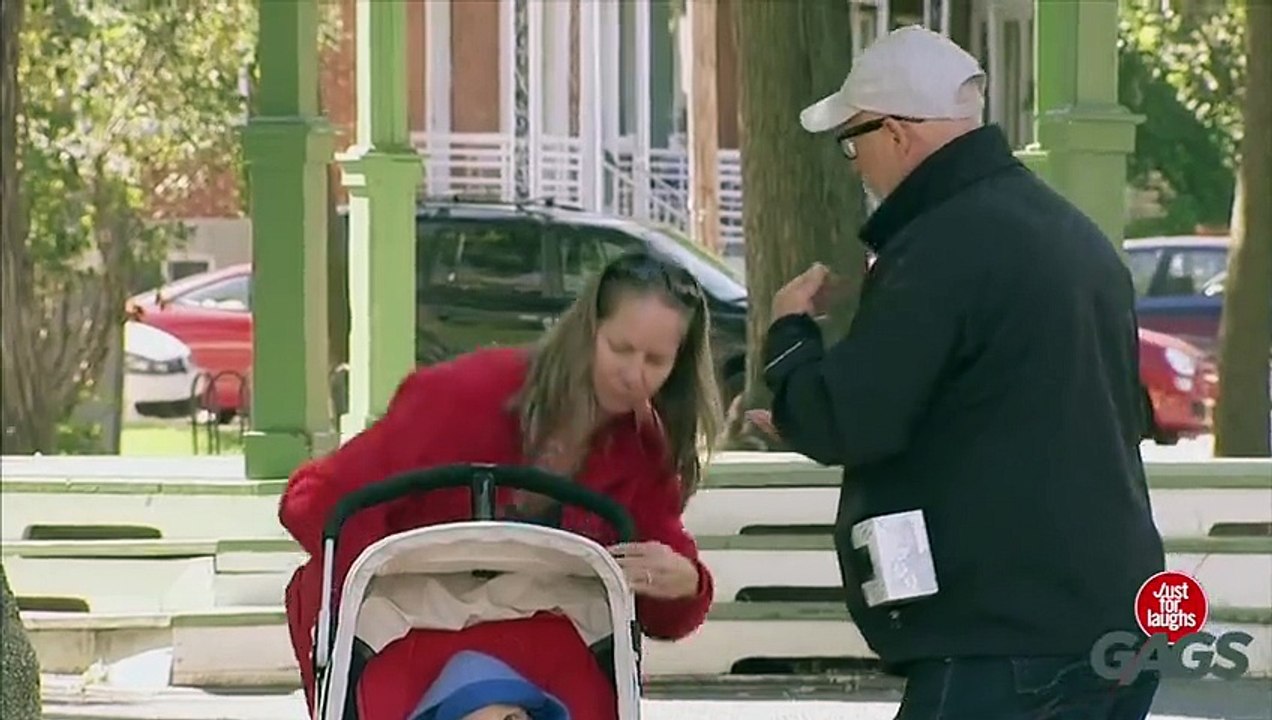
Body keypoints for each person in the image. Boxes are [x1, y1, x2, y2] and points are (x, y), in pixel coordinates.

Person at [754, 26, 1166, 720]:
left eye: (854, 141)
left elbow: (847, 418)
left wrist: (789, 335)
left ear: (899, 134)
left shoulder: (940, 243)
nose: (855, 164)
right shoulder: (1074, 235)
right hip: (1116, 624)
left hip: (999, 636)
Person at [280, 250, 723, 720]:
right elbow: (314, 498)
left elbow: (663, 598)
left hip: (543, 639)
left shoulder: (644, 449)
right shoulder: (465, 395)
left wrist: (685, 582)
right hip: (407, 623)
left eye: (656, 361)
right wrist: (370, 581)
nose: (634, 374)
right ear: (586, 332)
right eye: (620, 348)